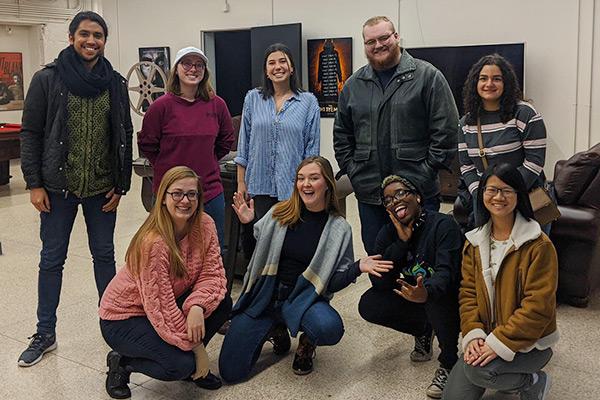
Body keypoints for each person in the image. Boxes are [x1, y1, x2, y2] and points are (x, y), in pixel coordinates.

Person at [18, 11, 133, 367]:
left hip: (102, 190)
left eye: (98, 35)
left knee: (104, 258)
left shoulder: (114, 82)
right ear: (71, 38)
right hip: (57, 190)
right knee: (52, 260)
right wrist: (34, 183)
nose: (91, 41)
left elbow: (124, 134)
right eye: (84, 34)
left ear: (104, 41)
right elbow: (31, 133)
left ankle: (114, 330)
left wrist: (122, 184)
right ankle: (45, 332)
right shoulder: (47, 79)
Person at [219, 156, 393, 382]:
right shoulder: (278, 213)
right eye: (301, 178)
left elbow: (330, 283)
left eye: (313, 178)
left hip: (302, 298)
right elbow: (256, 257)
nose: (306, 184)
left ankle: (307, 342)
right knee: (231, 373)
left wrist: (357, 267)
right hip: (265, 297)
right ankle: (276, 329)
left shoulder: (339, 229)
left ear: (327, 184)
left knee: (329, 328)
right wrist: (249, 223)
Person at [99, 166, 231, 399]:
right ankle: (122, 362)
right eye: (177, 193)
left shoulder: (205, 224)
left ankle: (191, 366)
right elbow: (161, 308)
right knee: (180, 365)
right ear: (163, 198)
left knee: (222, 303)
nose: (185, 200)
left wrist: (197, 306)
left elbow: (214, 275)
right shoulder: (154, 243)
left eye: (192, 194)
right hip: (124, 318)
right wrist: (198, 350)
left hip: (163, 304)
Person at [333, 15, 459, 256]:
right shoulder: (353, 85)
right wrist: (354, 171)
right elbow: (342, 135)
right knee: (379, 262)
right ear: (365, 45)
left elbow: (447, 131)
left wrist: (426, 171)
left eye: (384, 38)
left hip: (417, 192)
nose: (378, 45)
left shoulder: (428, 77)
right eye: (371, 41)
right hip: (369, 194)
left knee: (424, 257)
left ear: (396, 37)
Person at [443, 163, 559, 400]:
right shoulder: (474, 242)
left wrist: (497, 343)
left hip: (530, 344)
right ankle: (497, 373)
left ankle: (532, 381)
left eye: (507, 190)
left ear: (519, 195)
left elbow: (538, 308)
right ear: (482, 193)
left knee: (481, 372)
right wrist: (473, 334)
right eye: (491, 189)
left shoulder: (538, 245)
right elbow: (467, 294)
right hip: (486, 335)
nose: (498, 197)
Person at [358, 174, 463, 399]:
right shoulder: (387, 234)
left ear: (417, 197)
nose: (394, 201)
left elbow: (447, 273)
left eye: (401, 193)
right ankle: (423, 331)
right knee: (369, 304)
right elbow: (378, 281)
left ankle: (449, 362)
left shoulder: (443, 225)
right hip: (414, 297)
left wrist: (426, 291)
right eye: (388, 200)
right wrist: (401, 243)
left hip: (450, 299)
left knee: (435, 296)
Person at [138, 46, 234, 248]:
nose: (193, 69)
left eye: (199, 65)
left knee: (213, 248)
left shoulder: (217, 105)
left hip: (208, 191)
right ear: (177, 69)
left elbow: (226, 140)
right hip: (170, 193)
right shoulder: (161, 107)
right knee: (167, 248)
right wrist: (168, 167)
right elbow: (147, 144)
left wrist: (206, 159)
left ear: (205, 72)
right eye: (187, 64)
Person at [234, 43, 320, 256]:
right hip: (259, 185)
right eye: (271, 62)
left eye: (282, 61)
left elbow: (312, 151)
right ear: (266, 70)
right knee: (260, 244)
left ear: (292, 68)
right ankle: (261, 288)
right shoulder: (253, 98)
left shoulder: (308, 102)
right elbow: (243, 143)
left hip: (292, 187)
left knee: (289, 245)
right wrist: (241, 182)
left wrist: (309, 186)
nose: (277, 66)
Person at [458, 54, 547, 229]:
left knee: (532, 253)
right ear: (475, 83)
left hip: (528, 197)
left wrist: (508, 192)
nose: (489, 84)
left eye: (496, 79)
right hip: (488, 202)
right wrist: (482, 194)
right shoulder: (465, 123)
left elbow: (535, 162)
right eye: (483, 78)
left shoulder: (525, 114)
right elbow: (466, 166)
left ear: (506, 83)